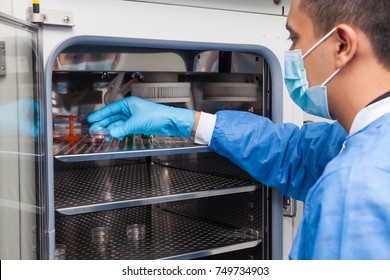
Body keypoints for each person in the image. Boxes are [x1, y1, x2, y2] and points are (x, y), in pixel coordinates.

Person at [87, 0, 390, 259]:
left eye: (294, 40)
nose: (293, 54)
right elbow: (294, 153)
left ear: (342, 45)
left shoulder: (355, 187)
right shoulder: (366, 139)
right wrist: (179, 119)